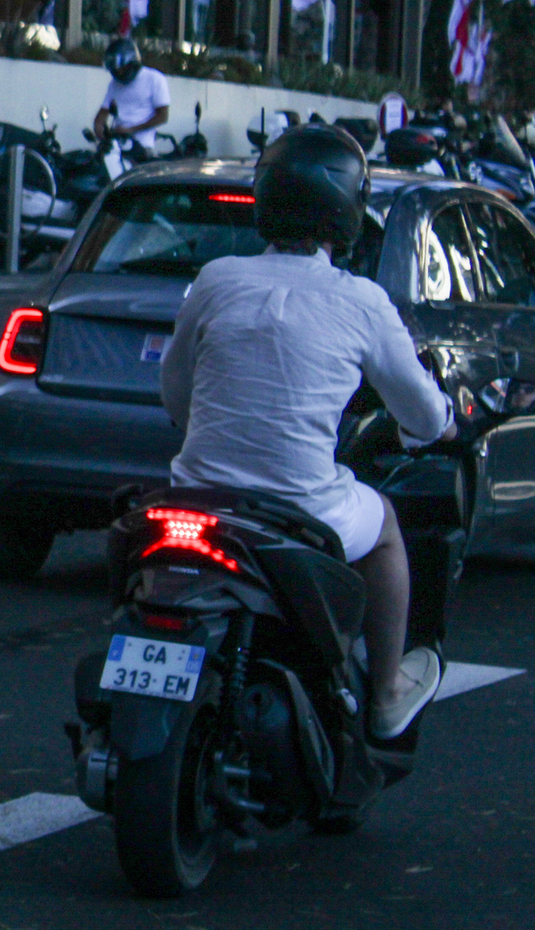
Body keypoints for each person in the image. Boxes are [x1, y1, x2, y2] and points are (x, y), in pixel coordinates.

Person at [158, 125, 453, 740]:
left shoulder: (215, 279)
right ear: (349, 207)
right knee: (389, 531)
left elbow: (176, 396)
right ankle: (388, 692)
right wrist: (446, 421)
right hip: (299, 512)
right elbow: (423, 417)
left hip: (194, 502)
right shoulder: (363, 301)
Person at [93, 37, 170, 151]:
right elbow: (101, 117)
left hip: (141, 147)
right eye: (116, 71)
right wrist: (102, 135)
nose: (119, 73)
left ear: (132, 64)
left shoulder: (154, 79)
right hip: (116, 146)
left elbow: (163, 116)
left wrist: (131, 130)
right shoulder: (114, 84)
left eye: (121, 69)